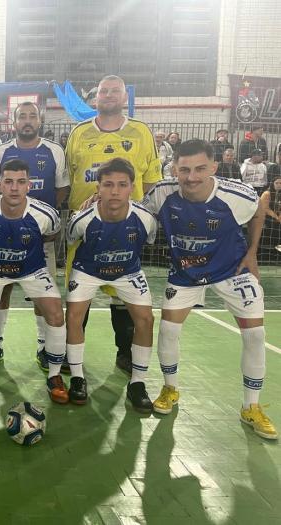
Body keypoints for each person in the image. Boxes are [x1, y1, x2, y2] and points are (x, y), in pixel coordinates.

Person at [142, 139, 276, 440]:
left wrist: (252, 253)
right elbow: (136, 211)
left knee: (255, 335)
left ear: (214, 167)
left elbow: (259, 209)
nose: (191, 177)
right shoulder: (162, 192)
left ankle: (251, 407)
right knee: (168, 330)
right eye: (184, 170)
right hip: (186, 271)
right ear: (174, 168)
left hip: (232, 269)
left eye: (200, 169)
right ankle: (170, 388)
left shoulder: (236, 195)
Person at [65, 75, 162, 375]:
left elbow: (151, 181)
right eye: (103, 91)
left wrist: (132, 212)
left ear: (125, 97)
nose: (108, 95)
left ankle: (125, 352)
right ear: (95, 98)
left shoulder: (141, 132)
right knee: (78, 295)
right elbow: (70, 175)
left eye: (114, 91)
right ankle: (71, 356)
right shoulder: (79, 132)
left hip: (125, 229)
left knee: (123, 294)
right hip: (85, 230)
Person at [0, 158, 65, 397]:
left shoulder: (45, 214)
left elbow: (50, 234)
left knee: (56, 314)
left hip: (32, 270)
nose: (14, 187)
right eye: (8, 181)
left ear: (29, 185)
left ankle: (55, 375)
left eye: (20, 182)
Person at [64, 158, 157, 411]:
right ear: (98, 188)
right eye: (108, 185)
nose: (115, 191)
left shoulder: (145, 218)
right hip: (88, 270)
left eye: (122, 185)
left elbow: (148, 240)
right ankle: (77, 378)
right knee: (73, 316)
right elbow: (72, 238)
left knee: (146, 319)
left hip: (128, 271)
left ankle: (138, 383)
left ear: (132, 188)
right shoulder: (82, 219)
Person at [0, 101, 69, 370]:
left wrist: (43, 221)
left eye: (32, 116)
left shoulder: (54, 150)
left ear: (39, 121)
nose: (27, 120)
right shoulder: (1, 151)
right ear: (14, 122)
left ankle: (43, 346)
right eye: (22, 116)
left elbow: (61, 189)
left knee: (41, 293)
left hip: (40, 237)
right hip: (6, 234)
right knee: (2, 289)